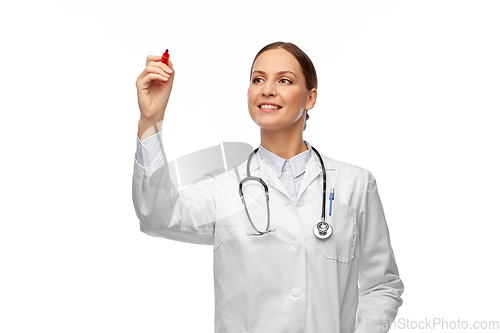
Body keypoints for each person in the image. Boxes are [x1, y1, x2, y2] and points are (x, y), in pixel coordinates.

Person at [132, 41, 404, 333]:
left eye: (284, 80)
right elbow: (157, 217)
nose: (267, 89)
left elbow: (382, 284)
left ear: (310, 98)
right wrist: (151, 120)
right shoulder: (222, 188)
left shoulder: (356, 184)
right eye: (257, 79)